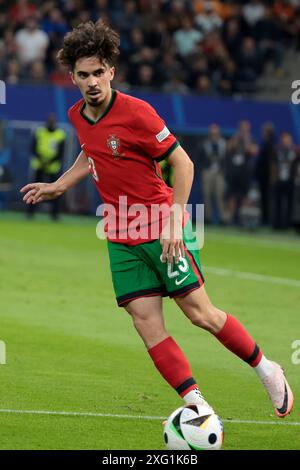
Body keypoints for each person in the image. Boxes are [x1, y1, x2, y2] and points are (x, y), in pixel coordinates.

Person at [21, 20, 293, 419]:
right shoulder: (77, 114)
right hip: (119, 230)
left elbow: (183, 163)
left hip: (160, 221)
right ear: (73, 77)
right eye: (84, 75)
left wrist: (174, 221)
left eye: (99, 72)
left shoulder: (138, 113)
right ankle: (196, 405)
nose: (92, 81)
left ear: (111, 71)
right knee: (144, 322)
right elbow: (90, 150)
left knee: (200, 313)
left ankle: (266, 369)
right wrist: (59, 185)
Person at [28, 113, 66, 220]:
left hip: (53, 166)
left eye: (53, 121)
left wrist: (49, 161)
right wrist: (41, 159)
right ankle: (30, 212)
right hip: (39, 165)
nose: (51, 123)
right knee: (35, 190)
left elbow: (61, 153)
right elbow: (33, 148)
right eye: (50, 121)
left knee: (56, 190)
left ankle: (55, 214)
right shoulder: (40, 132)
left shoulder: (60, 134)